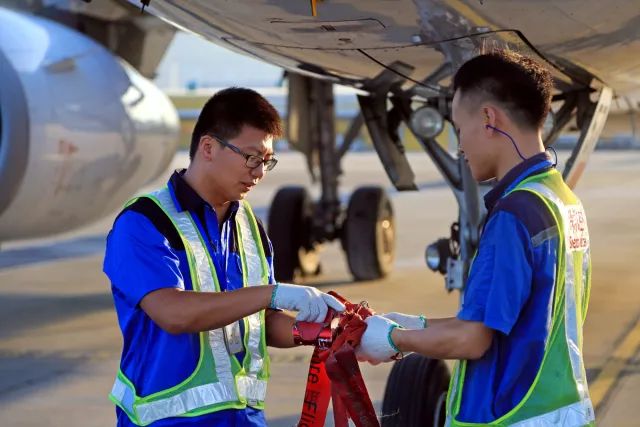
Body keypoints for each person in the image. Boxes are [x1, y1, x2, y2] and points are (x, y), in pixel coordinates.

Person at [356, 51, 595, 425]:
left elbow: (472, 340)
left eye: (458, 127)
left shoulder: (515, 214)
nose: (460, 146)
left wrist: (392, 341)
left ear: (488, 118)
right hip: (560, 410)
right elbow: (505, 322)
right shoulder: (561, 199)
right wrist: (412, 326)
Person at [103, 87, 344, 427]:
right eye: (251, 158)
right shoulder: (144, 222)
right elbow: (173, 313)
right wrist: (272, 294)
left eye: (266, 161)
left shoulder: (250, 227)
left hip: (244, 419)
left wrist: (324, 331)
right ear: (208, 147)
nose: (259, 172)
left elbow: (265, 323)